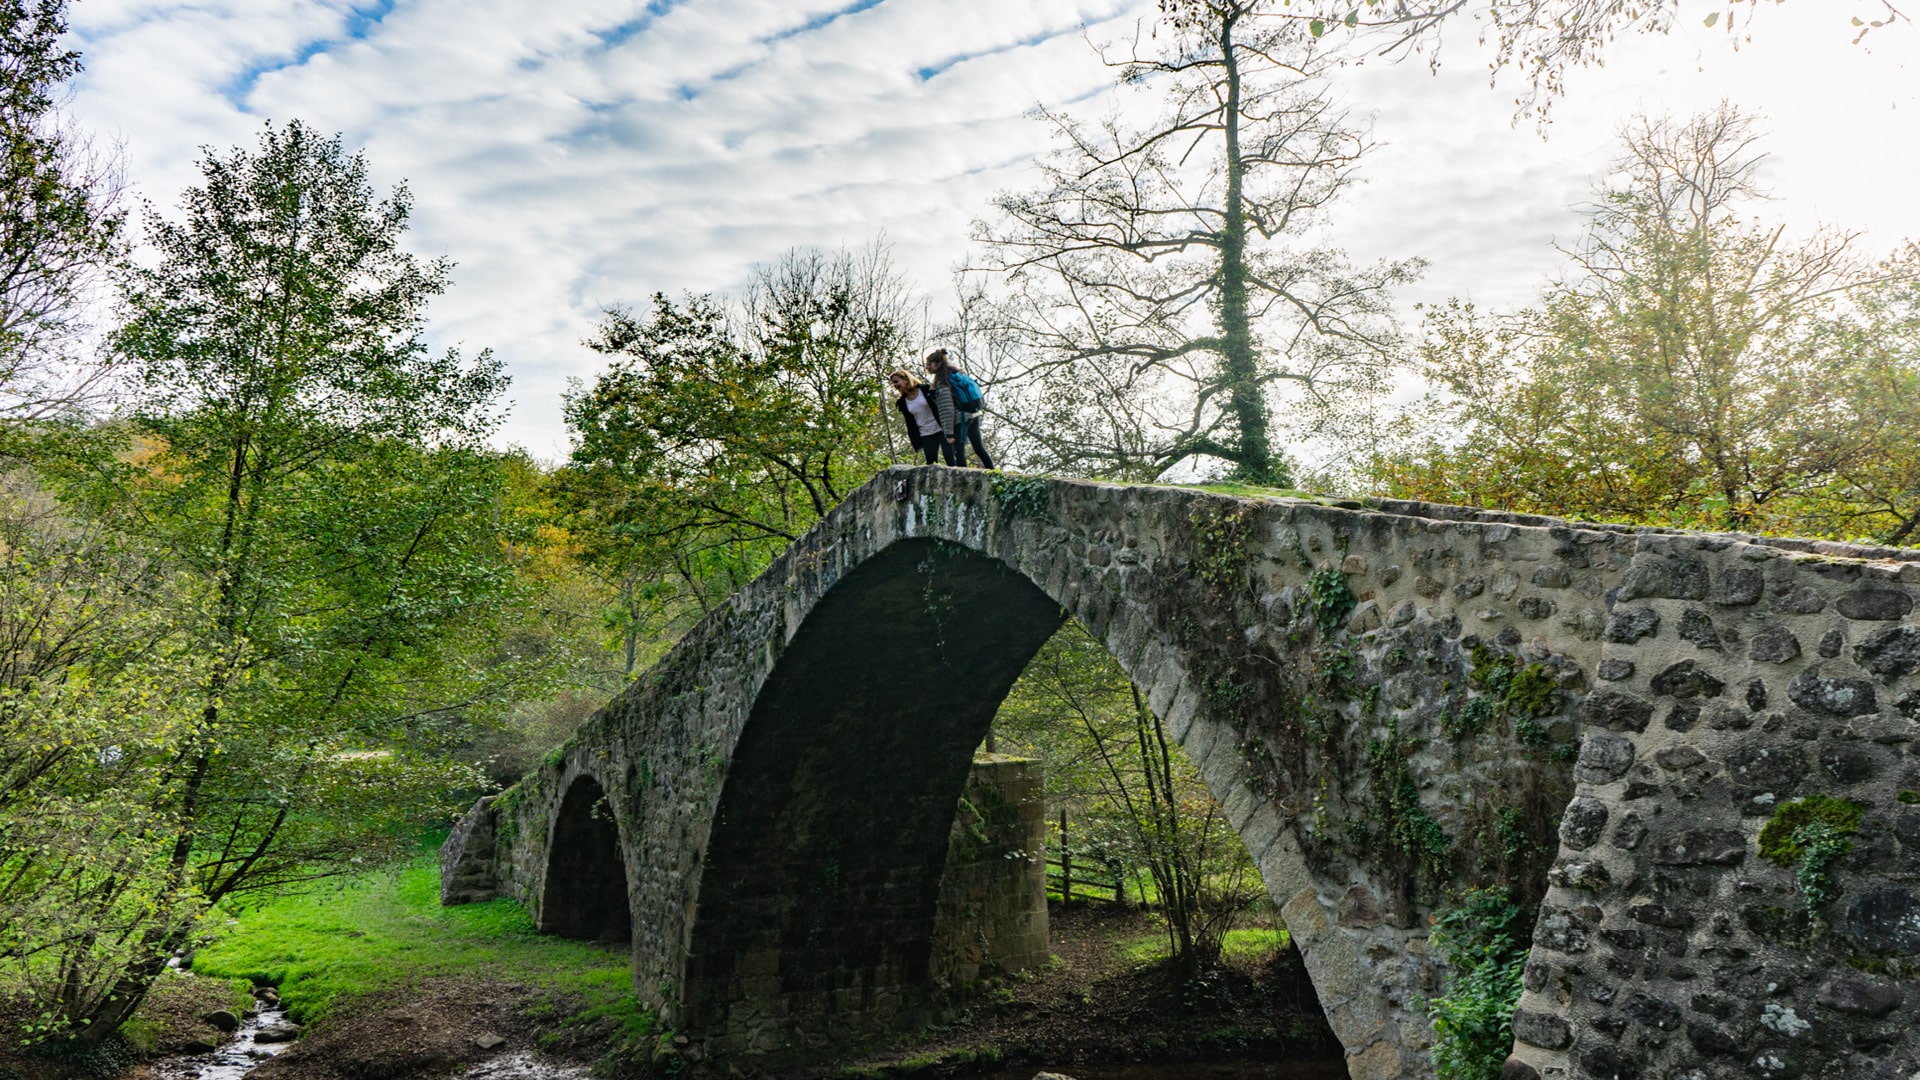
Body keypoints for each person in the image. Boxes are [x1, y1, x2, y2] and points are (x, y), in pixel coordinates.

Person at [923, 348, 994, 469]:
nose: (927, 367)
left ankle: (962, 480)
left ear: (938, 363)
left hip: (959, 419)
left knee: (959, 451)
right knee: (979, 448)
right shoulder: (957, 374)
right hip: (973, 414)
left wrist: (948, 432)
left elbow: (947, 409)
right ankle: (994, 473)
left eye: (929, 364)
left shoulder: (943, 381)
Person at [890, 368, 957, 465]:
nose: (895, 385)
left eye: (896, 381)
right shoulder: (902, 403)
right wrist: (915, 440)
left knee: (950, 459)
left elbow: (942, 406)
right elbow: (910, 423)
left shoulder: (926, 389)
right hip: (925, 434)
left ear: (906, 379)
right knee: (931, 463)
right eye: (893, 383)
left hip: (941, 429)